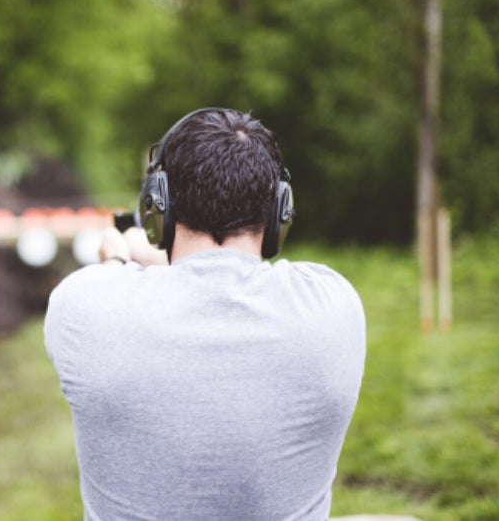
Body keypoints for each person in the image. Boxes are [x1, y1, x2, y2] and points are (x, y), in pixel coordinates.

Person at [44, 108, 366, 520]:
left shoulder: (82, 305)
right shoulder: (334, 305)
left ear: (157, 208)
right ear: (277, 213)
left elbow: (153, 282)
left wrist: (121, 257)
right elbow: (222, 276)